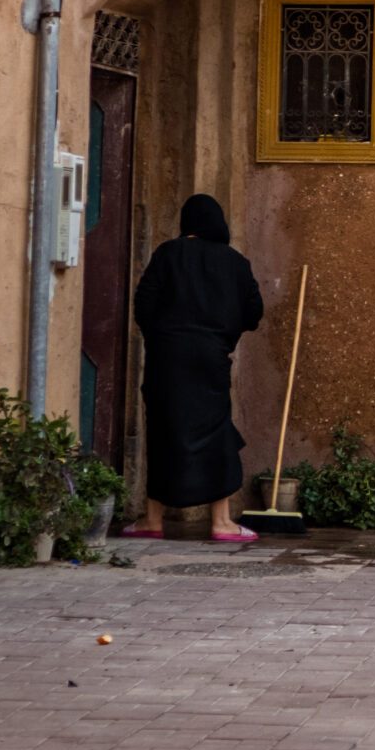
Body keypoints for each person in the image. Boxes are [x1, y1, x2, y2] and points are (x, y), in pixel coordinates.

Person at [121, 194, 264, 542]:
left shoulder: (168, 254)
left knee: (163, 429)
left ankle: (152, 519)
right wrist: (223, 335)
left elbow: (144, 303)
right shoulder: (236, 263)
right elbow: (254, 313)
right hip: (211, 358)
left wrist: (161, 335)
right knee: (216, 430)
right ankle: (221, 522)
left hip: (167, 357)